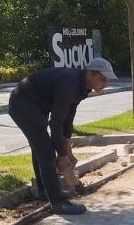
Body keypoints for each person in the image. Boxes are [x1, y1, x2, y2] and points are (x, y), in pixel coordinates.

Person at [8, 57, 116, 215]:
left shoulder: (82, 86)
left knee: (41, 149)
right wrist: (62, 154)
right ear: (90, 74)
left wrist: (66, 144)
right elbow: (56, 123)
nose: (105, 84)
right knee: (46, 153)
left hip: (37, 105)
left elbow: (68, 118)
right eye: (102, 79)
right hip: (23, 104)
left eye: (107, 81)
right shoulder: (69, 84)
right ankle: (57, 203)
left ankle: (45, 192)